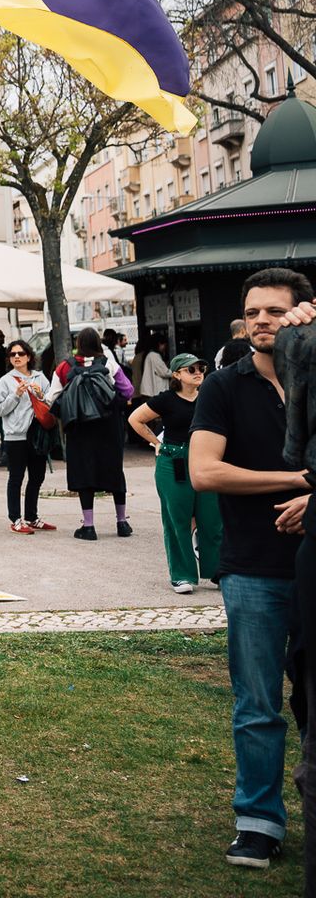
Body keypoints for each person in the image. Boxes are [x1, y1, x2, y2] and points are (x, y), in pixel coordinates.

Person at [190, 268, 316, 871]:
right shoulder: (224, 386)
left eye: (274, 311)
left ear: (303, 313)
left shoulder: (315, 373)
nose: (260, 322)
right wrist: (301, 480)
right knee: (258, 703)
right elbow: (205, 473)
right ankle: (259, 821)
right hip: (253, 571)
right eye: (251, 313)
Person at [129, 353, 219, 594]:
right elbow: (135, 419)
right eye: (191, 369)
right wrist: (156, 443)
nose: (198, 372)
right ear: (177, 374)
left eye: (201, 367)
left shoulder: (210, 397)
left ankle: (217, 570)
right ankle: (182, 575)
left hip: (205, 460)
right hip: (174, 461)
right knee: (177, 519)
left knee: (212, 517)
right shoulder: (166, 400)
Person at [45, 328, 136, 540]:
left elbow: (52, 397)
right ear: (98, 343)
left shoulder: (64, 366)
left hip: (79, 426)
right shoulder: (108, 363)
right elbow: (128, 390)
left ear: (78, 344)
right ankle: (122, 523)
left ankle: (89, 526)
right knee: (114, 470)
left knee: (84, 473)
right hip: (108, 424)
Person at [0, 341, 56, 535]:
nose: (16, 357)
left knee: (37, 476)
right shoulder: (6, 381)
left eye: (20, 353)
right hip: (15, 436)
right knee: (16, 477)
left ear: (29, 356)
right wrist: (16, 395)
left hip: (37, 434)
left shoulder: (40, 377)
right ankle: (15, 519)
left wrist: (41, 394)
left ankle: (32, 516)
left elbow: (52, 402)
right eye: (12, 354)